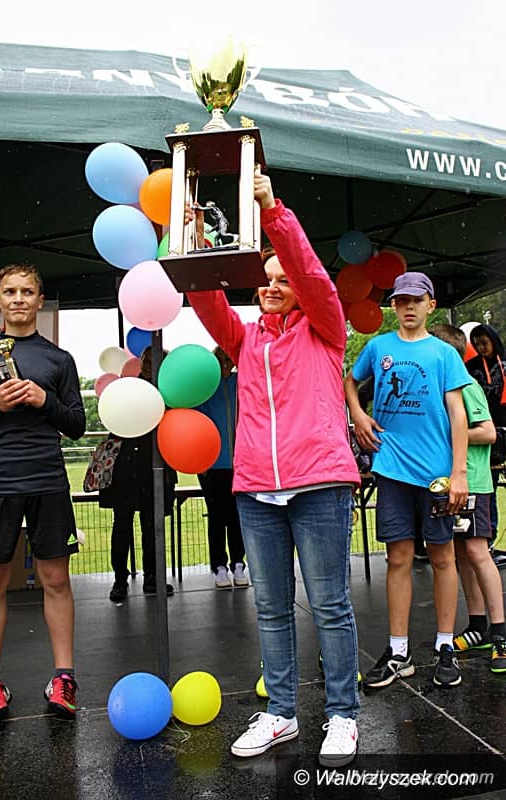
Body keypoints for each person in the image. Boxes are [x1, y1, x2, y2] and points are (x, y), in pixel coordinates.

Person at [187, 173, 361, 768]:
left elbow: (310, 273)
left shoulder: (326, 328)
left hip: (320, 483)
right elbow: (207, 300)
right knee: (270, 607)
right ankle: (282, 713)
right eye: (266, 280)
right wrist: (194, 241)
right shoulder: (246, 342)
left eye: (283, 281)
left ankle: (343, 715)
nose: (274, 287)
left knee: (330, 605)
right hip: (257, 489)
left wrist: (271, 210)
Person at [345, 271, 470, 691]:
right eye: (401, 300)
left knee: (442, 558)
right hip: (392, 468)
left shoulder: (444, 354)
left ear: (431, 305)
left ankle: (445, 646)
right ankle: (399, 652)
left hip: (436, 474)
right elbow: (349, 381)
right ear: (393, 305)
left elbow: (458, 414)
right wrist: (358, 415)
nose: (408, 307)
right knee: (397, 558)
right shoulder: (379, 347)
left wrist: (458, 472)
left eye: (416, 300)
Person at [0, 263, 85, 729]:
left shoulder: (59, 360)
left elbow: (76, 426)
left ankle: (64, 677)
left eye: (27, 291)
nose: (18, 299)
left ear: (40, 300)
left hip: (47, 479)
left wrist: (45, 401)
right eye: (10, 292)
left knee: (55, 579)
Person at [430, 324, 506, 673]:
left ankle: (500, 632)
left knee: (477, 552)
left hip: (473, 481)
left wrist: (450, 433)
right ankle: (477, 626)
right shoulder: (439, 388)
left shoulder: (467, 386)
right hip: (448, 484)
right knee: (460, 552)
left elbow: (488, 432)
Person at [99, 346, 177, 602]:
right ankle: (119, 580)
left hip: (157, 469)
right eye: (146, 359)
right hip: (125, 468)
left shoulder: (172, 393)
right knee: (122, 527)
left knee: (153, 528)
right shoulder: (129, 388)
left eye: (155, 360)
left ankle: (153, 578)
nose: (149, 364)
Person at [196, 346, 247, 590]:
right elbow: (197, 423)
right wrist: (200, 460)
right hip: (212, 466)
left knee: (238, 516)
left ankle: (238, 563)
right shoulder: (205, 387)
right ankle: (219, 567)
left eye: (228, 359)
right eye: (220, 359)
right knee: (216, 517)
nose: (225, 363)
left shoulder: (241, 382)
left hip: (241, 465)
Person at [465, 324, 506, 549]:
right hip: (482, 434)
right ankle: (486, 538)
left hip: (501, 433)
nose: (481, 348)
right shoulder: (471, 368)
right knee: (486, 489)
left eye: (484, 343)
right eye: (477, 344)